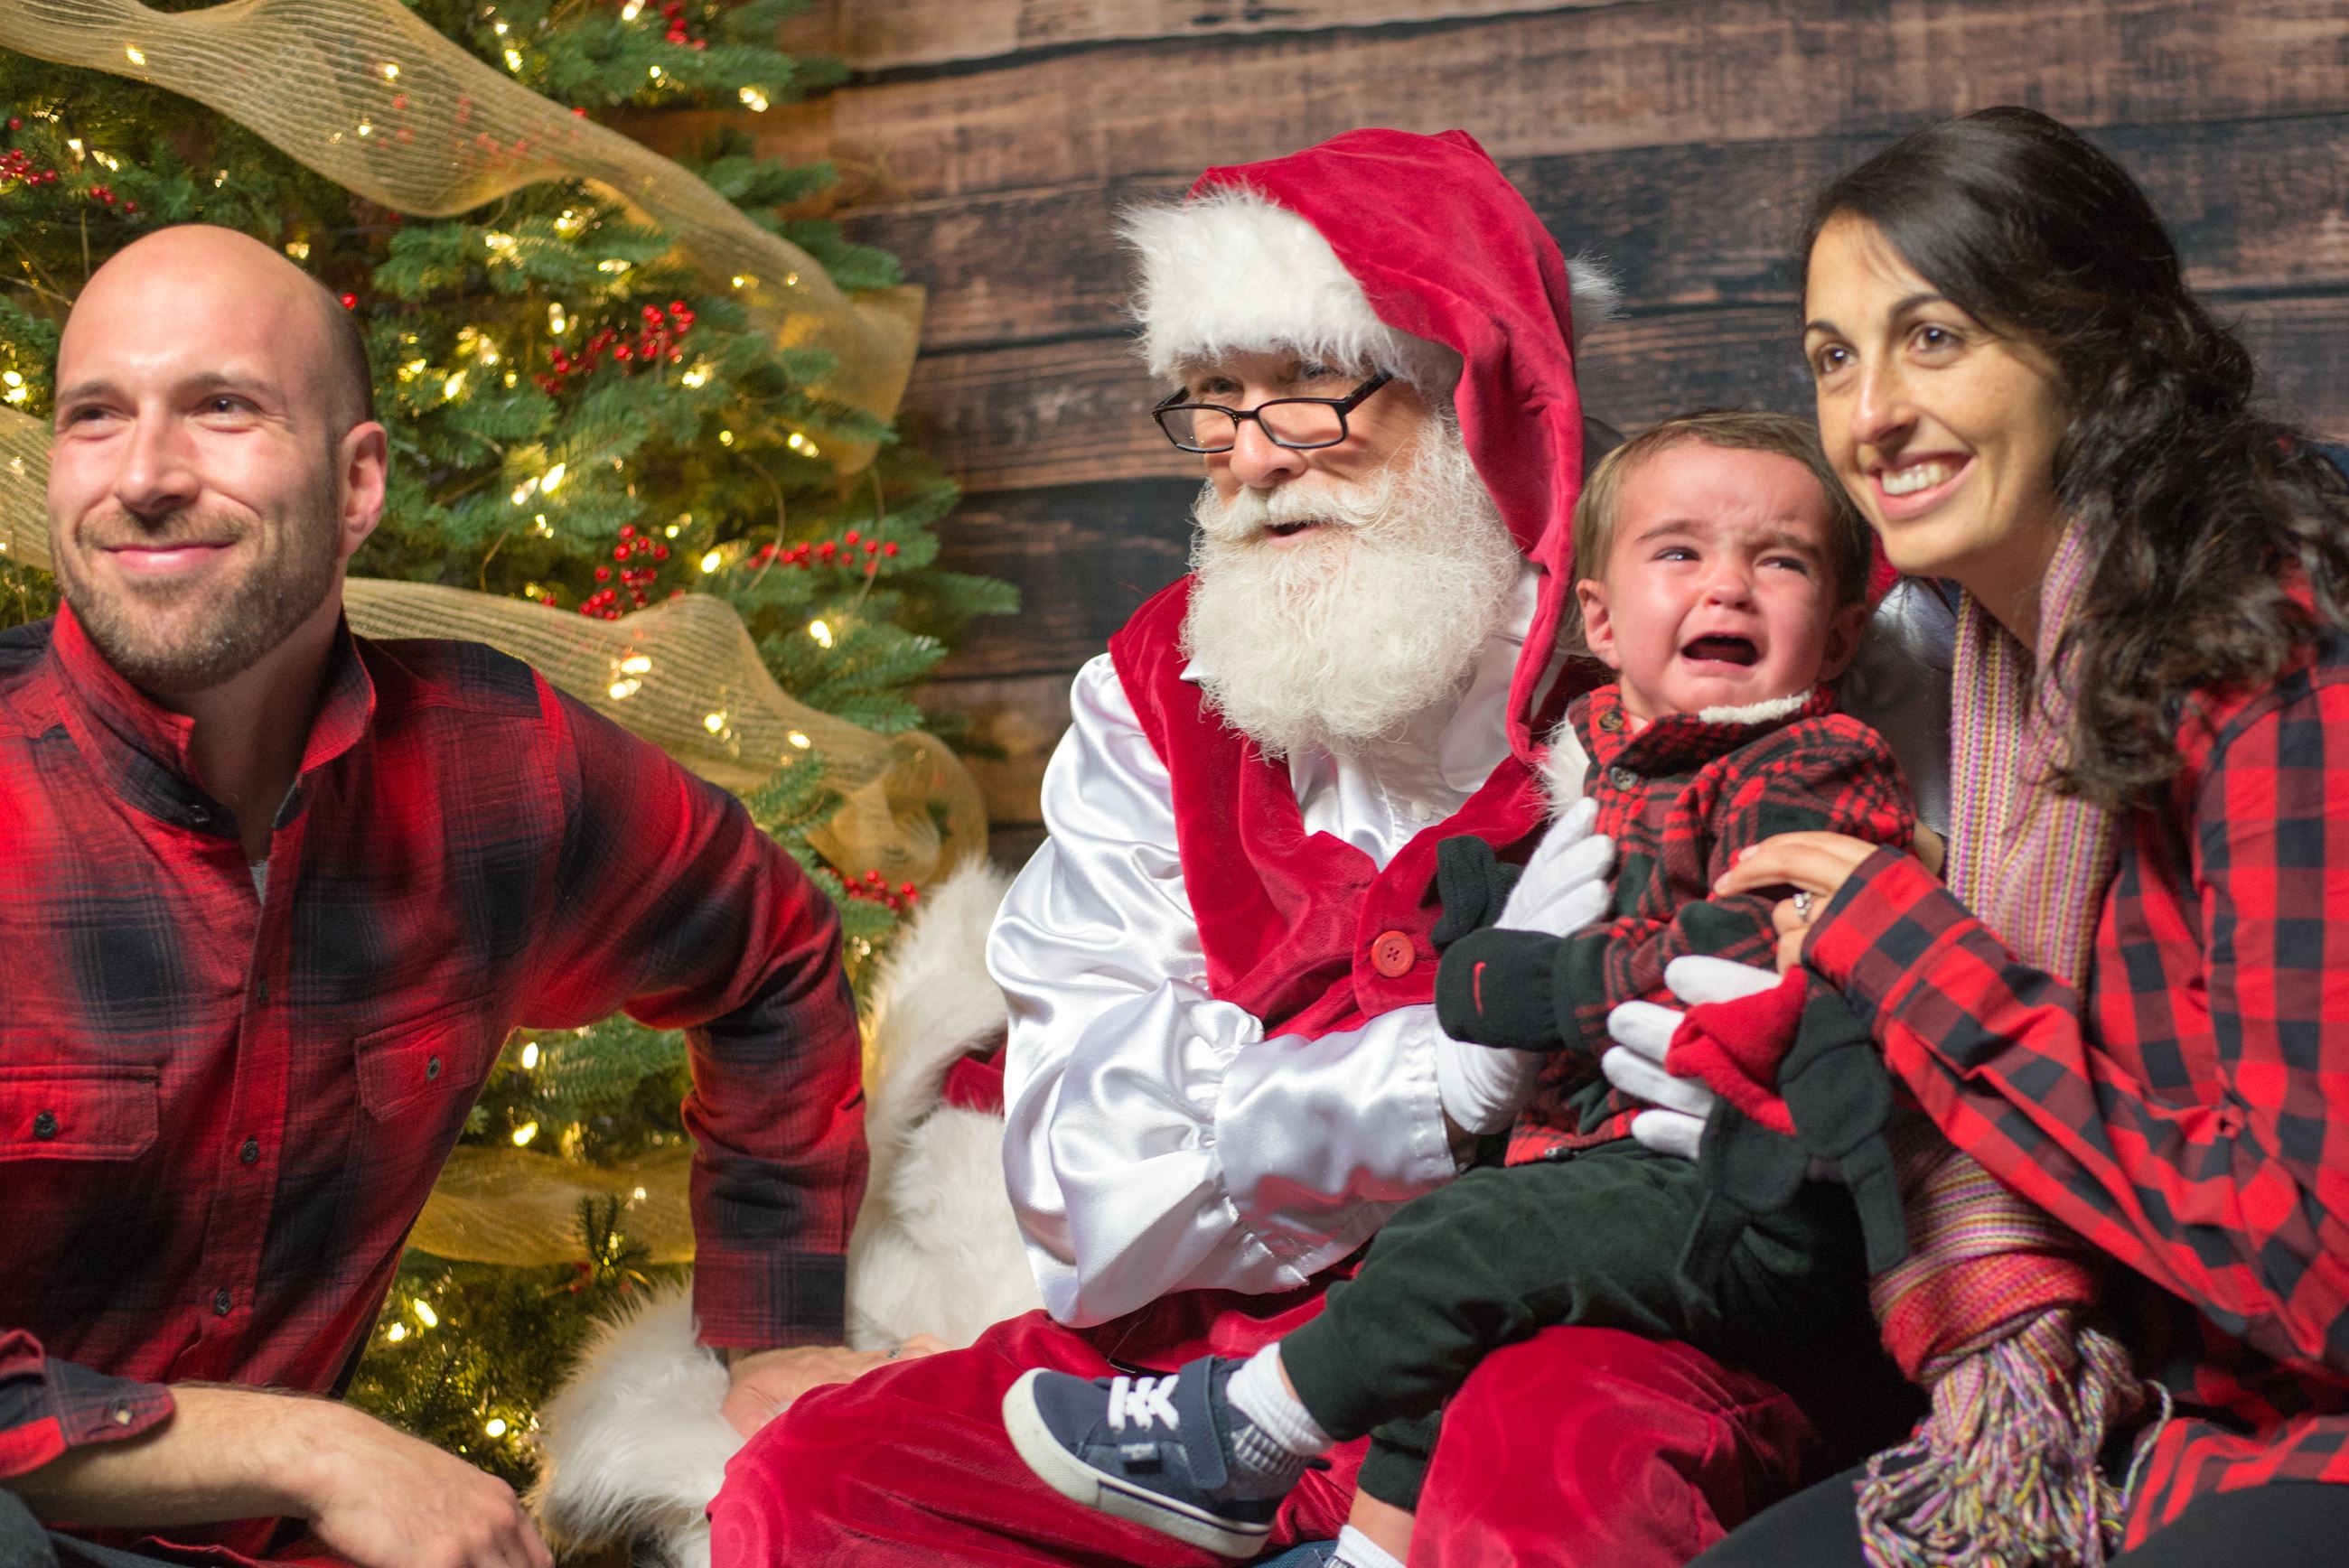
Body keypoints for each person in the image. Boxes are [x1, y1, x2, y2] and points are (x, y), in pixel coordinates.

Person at [710, 130, 1950, 1567]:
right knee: (824, 1483)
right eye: (1212, 404)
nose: (1247, 456)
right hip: (1214, 1366)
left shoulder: (1697, 624)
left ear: (1471, 390)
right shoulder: (1158, 694)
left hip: (1590, 1320)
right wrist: (1443, 1072)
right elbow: (1090, 1179)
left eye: (1306, 392)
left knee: (1548, 1482)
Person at [0, 226, 903, 1568]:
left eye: (224, 409)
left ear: (358, 483)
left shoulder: (498, 768)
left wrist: (777, 1337)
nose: (143, 476)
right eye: (95, 419)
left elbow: (769, 955)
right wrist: (315, 1450)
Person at [1596, 107, 2349, 1565]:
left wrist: (1919, 961)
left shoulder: (2278, 662)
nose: (1869, 412)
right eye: (1832, 358)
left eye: (1932, 337)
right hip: (2153, 1423)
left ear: (2099, 351)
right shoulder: (1980, 684)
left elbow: (2320, 1265)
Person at [998, 409, 1917, 1567]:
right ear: (1598, 616)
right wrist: (1495, 960)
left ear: (1835, 637)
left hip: (1752, 1195)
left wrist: (1537, 981)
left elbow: (1736, 956)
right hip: (1624, 1171)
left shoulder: (1810, 766)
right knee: (1470, 1274)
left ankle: (1254, 1423)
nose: (1725, 586)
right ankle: (1373, 1552)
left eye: (1774, 560)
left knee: (1465, 1238)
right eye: (1678, 554)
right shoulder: (1603, 754)